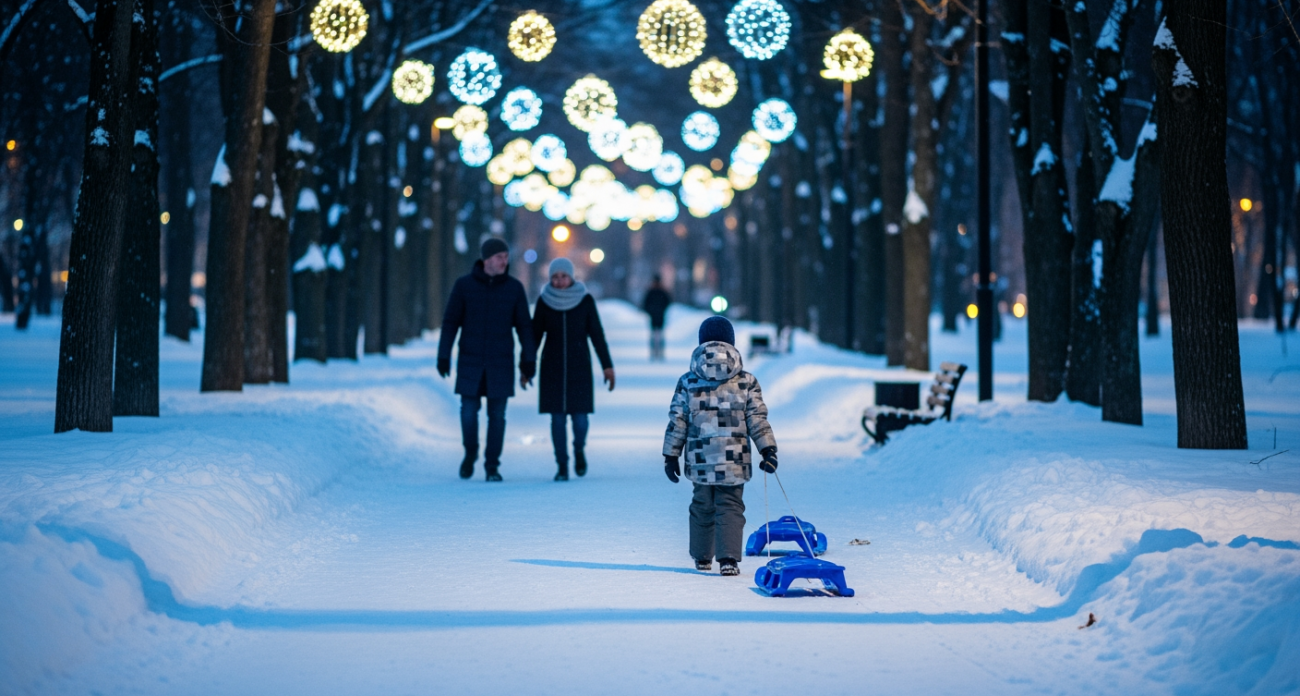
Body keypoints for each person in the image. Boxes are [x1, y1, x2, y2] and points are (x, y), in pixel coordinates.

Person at [662, 316, 778, 576]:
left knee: (702, 504)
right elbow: (756, 419)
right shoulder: (746, 381)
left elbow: (678, 420)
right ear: (732, 343)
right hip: (734, 458)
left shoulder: (689, 381)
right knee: (730, 504)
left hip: (700, 458)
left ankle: (703, 556)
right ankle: (728, 559)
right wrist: (767, 449)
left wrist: (671, 454)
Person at [437, 237, 536, 482]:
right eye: (500, 257)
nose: (505, 261)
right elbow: (451, 322)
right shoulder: (464, 286)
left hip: (500, 362)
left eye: (506, 257)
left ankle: (492, 465)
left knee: (497, 416)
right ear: (486, 260)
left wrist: (528, 361)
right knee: (468, 412)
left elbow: (524, 327)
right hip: (471, 360)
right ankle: (470, 453)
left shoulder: (514, 288)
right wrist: (443, 355)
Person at [532, 258, 615, 481]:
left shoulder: (585, 300)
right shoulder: (544, 301)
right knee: (557, 420)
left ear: (571, 277)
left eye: (563, 276)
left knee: (580, 420)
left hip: (580, 368)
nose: (559, 281)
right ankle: (561, 465)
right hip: (552, 368)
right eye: (555, 277)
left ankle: (579, 449)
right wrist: (526, 366)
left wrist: (607, 366)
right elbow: (534, 337)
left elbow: (597, 335)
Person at [641, 275, 671, 361]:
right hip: (659, 316)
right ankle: (659, 353)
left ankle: (655, 352)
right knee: (659, 335)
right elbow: (668, 302)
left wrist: (650, 311)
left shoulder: (651, 291)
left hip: (655, 316)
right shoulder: (662, 291)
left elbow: (645, 304)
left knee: (655, 335)